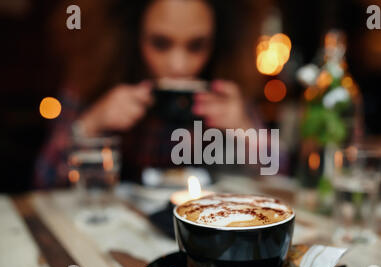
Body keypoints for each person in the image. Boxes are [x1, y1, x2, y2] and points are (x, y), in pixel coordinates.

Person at [35, 0, 268, 188]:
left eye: (196, 45)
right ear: (130, 35)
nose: (179, 65)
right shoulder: (93, 79)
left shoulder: (225, 87)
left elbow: (278, 171)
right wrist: (92, 123)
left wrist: (246, 132)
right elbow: (43, 179)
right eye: (160, 43)